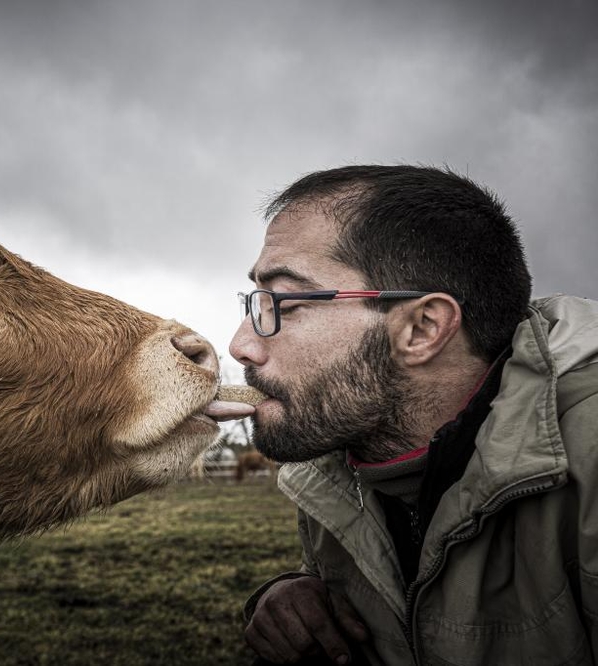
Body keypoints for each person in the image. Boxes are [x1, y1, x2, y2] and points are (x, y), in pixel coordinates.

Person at [226, 165, 598, 665]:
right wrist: (301, 593)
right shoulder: (343, 453)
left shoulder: (589, 459)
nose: (242, 345)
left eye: (284, 302)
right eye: (254, 302)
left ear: (422, 328)